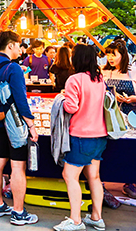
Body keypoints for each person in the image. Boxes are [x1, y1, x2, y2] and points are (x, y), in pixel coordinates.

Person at [53, 44, 107, 231]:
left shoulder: (74, 79)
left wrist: (62, 98)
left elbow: (72, 107)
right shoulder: (99, 79)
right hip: (100, 135)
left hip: (81, 135)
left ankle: (76, 220)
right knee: (94, 176)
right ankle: (96, 217)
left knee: (70, 175)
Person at [0, 30, 39, 226]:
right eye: (18, 45)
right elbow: (20, 99)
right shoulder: (14, 68)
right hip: (15, 124)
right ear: (10, 46)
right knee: (18, 166)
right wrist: (31, 125)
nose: (21, 48)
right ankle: (18, 212)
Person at [100, 41, 136, 199]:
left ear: (123, 55)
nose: (110, 58)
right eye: (108, 54)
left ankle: (129, 182)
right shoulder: (103, 72)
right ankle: (101, 182)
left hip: (130, 116)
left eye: (114, 54)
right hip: (108, 117)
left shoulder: (132, 72)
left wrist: (133, 98)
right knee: (107, 148)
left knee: (128, 149)